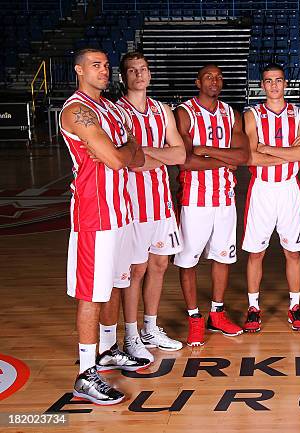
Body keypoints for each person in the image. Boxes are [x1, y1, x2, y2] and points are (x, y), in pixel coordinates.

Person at [60, 48, 149, 405]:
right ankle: (85, 374)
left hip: (121, 210)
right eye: (95, 65)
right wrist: (120, 151)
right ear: (79, 70)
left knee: (115, 284)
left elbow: (135, 154)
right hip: (94, 215)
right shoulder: (75, 110)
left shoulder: (110, 109)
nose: (103, 70)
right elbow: (115, 159)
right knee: (91, 293)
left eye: (106, 65)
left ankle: (109, 349)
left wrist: (121, 149)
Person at [116, 51, 186, 361]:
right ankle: (130, 335)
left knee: (159, 265)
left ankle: (149, 328)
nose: (139, 75)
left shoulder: (163, 110)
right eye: (132, 71)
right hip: (132, 204)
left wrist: (145, 152)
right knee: (136, 270)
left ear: (149, 73)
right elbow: (129, 162)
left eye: (143, 69)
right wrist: (158, 155)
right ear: (124, 77)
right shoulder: (117, 112)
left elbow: (180, 156)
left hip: (161, 202)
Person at [173, 64, 249, 346]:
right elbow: (185, 161)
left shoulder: (232, 114)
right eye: (208, 77)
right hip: (194, 200)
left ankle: (217, 314)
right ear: (197, 81)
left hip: (225, 198)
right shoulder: (184, 112)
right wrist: (224, 159)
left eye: (218, 77)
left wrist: (207, 151)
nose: (214, 81)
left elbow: (242, 157)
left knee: (223, 257)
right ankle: (194, 318)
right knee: (188, 259)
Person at [242, 63, 300, 332]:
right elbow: (250, 155)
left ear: (285, 84)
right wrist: (286, 152)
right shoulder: (252, 115)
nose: (273, 86)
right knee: (256, 253)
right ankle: (253, 307)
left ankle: (295, 306)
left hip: (288, 188)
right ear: (262, 85)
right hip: (262, 189)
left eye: (278, 80)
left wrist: (267, 148)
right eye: (268, 81)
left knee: (292, 252)